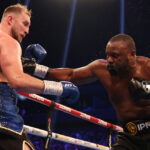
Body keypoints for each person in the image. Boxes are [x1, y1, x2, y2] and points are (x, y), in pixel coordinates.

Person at [23, 33, 150, 150]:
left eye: (115, 56)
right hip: (129, 136)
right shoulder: (101, 68)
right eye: (108, 55)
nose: (110, 60)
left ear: (132, 54)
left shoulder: (147, 67)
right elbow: (70, 75)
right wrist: (36, 68)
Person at [0, 3, 79, 150]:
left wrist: (23, 62)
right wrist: (59, 88)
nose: (27, 31)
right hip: (5, 122)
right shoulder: (8, 42)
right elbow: (17, 80)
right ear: (10, 19)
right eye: (25, 24)